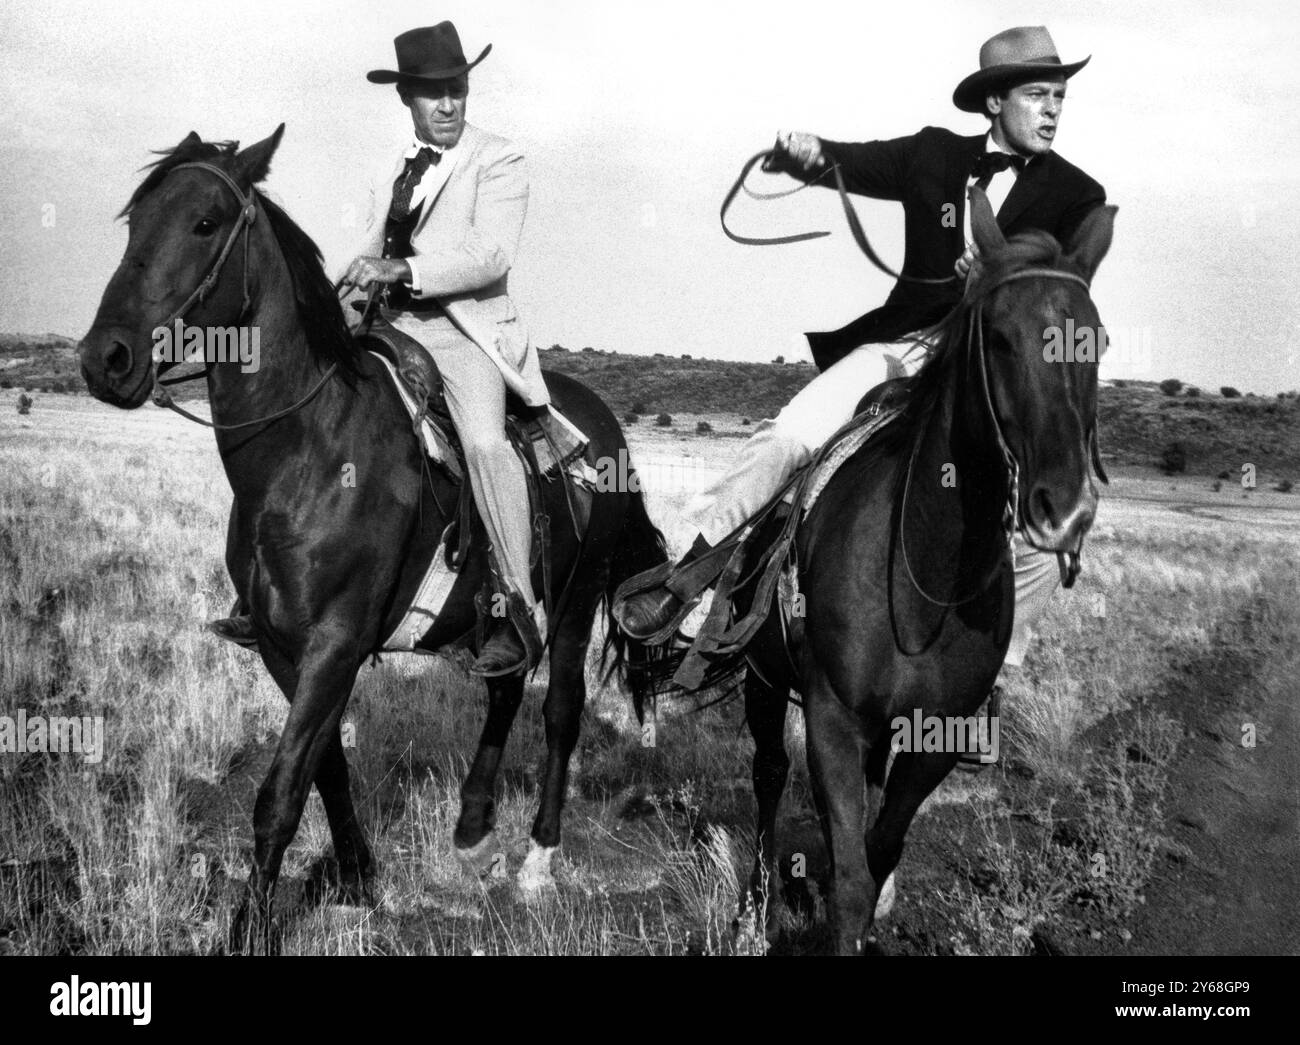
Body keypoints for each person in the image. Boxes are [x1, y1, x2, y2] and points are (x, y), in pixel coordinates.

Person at [615, 26, 1106, 711]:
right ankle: (687, 576)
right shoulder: (934, 154)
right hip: (905, 346)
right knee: (790, 435)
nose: (1053, 109)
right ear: (995, 101)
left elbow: (1060, 276)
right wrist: (808, 156)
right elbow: (858, 165)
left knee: (1052, 523)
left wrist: (997, 272)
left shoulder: (1079, 193)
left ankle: (991, 672)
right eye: (1037, 95)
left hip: (994, 368)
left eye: (1059, 96)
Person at [342, 21, 549, 676]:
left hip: (464, 332)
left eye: (457, 88)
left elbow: (490, 254)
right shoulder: (397, 169)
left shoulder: (502, 157)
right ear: (408, 99)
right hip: (387, 325)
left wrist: (403, 272)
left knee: (486, 442)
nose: (450, 104)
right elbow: (369, 254)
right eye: (434, 93)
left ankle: (520, 607)